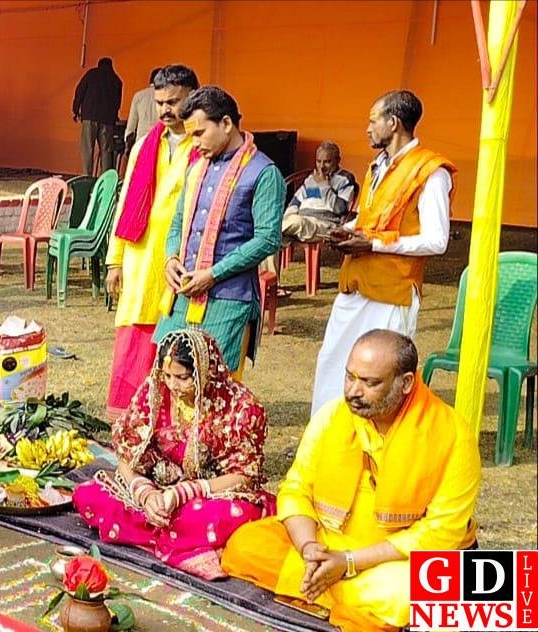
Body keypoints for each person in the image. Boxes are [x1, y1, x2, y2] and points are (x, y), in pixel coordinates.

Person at [222, 330, 480, 631]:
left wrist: (349, 562)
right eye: (349, 377)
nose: (353, 391)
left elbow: (441, 533)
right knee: (246, 544)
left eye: (370, 383)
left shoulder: (452, 435)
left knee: (402, 594)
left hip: (395, 560)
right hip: (328, 542)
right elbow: (296, 488)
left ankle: (322, 587)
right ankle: (329, 584)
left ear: (406, 382)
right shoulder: (333, 416)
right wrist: (309, 549)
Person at [74, 329, 273, 579]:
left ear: (205, 371)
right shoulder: (154, 393)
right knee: (88, 495)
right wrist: (146, 494)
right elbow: (127, 458)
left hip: (210, 497)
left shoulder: (240, 408)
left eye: (183, 377)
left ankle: (159, 537)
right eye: (167, 375)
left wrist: (183, 492)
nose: (173, 385)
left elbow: (245, 476)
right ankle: (184, 544)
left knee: (229, 517)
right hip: (157, 492)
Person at [309, 91, 455, 415]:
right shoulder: (378, 165)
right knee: (334, 364)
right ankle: (330, 435)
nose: (367, 128)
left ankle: (377, 440)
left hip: (392, 291)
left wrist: (374, 244)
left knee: (381, 378)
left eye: (373, 120)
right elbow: (369, 219)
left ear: (393, 123)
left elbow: (437, 241)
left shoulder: (431, 171)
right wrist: (345, 231)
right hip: (356, 282)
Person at [155, 86, 286, 378]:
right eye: (191, 136)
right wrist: (171, 258)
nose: (194, 143)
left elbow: (267, 239)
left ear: (226, 123)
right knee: (170, 377)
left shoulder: (264, 173)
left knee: (216, 382)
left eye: (200, 133)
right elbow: (178, 221)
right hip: (182, 295)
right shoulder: (195, 168)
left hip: (229, 299)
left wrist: (213, 274)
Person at [104, 64, 199, 419]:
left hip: (182, 261)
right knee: (134, 339)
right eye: (160, 103)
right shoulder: (146, 144)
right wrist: (115, 261)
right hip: (140, 258)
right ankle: (130, 416)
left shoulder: (202, 145)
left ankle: (169, 418)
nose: (165, 110)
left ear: (193, 97)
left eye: (173, 101)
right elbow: (126, 202)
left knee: (175, 342)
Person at [281, 142, 357, 244]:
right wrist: (287, 218)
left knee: (292, 224)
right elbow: (295, 203)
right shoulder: (311, 178)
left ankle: (275, 230)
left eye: (327, 162)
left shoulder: (345, 179)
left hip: (324, 225)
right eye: (318, 161)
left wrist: (323, 184)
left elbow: (340, 209)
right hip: (300, 220)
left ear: (338, 160)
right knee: (277, 226)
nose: (321, 167)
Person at [73, 57, 123, 176]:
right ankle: (105, 179)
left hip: (89, 117)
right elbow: (117, 102)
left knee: (87, 150)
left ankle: (87, 177)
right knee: (106, 151)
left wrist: (75, 110)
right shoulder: (116, 80)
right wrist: (114, 116)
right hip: (107, 121)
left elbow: (79, 91)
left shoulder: (91, 74)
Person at [124, 68, 162, 150]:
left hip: (141, 142)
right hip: (160, 142)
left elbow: (131, 125)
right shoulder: (165, 97)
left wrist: (128, 147)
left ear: (150, 80)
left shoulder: (139, 96)